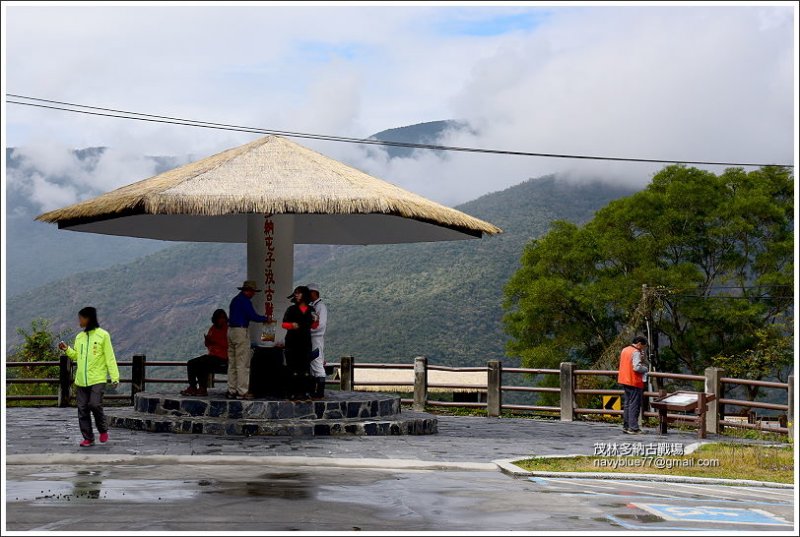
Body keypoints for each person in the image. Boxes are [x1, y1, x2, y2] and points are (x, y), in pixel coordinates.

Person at [58, 307, 120, 447]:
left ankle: (103, 429)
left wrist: (114, 376)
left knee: (94, 404)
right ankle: (88, 438)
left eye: (81, 318)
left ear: (89, 319)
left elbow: (110, 357)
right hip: (81, 380)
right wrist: (66, 349)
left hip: (97, 378)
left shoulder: (103, 335)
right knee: (82, 409)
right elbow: (76, 356)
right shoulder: (79, 337)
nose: (79, 321)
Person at [228, 280, 270, 400]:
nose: (254, 294)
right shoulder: (245, 301)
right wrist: (265, 319)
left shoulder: (235, 300)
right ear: (249, 291)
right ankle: (242, 391)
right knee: (243, 362)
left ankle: (232, 389)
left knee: (233, 362)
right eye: (253, 291)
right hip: (241, 331)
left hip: (231, 331)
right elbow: (252, 316)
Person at [282, 286, 319, 400]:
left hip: (305, 342)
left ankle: (305, 392)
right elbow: (284, 324)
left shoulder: (311, 310)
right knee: (293, 368)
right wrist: (292, 325)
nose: (297, 295)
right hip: (292, 342)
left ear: (305, 295)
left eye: (299, 293)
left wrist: (316, 321)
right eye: (296, 293)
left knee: (305, 368)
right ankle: (292, 392)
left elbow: (314, 326)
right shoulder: (291, 309)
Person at [181, 309, 229, 396]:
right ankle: (201, 388)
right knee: (197, 364)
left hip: (222, 357)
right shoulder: (213, 328)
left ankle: (194, 388)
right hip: (212, 355)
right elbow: (208, 344)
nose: (221, 320)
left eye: (223, 318)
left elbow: (228, 344)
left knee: (193, 363)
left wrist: (215, 341)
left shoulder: (228, 329)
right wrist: (208, 341)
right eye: (219, 318)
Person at [617, 336, 649, 434]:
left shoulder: (625, 349)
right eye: (643, 346)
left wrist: (641, 357)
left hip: (624, 379)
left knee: (627, 404)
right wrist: (645, 369)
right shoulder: (635, 352)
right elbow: (636, 367)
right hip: (634, 381)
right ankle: (634, 428)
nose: (643, 348)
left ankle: (626, 426)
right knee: (634, 405)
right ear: (639, 343)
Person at [307, 283, 328, 399]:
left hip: (316, 337)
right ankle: (314, 390)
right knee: (312, 363)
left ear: (314, 293)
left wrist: (308, 330)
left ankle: (320, 392)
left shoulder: (321, 307)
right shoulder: (314, 306)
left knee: (317, 362)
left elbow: (321, 325)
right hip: (312, 337)